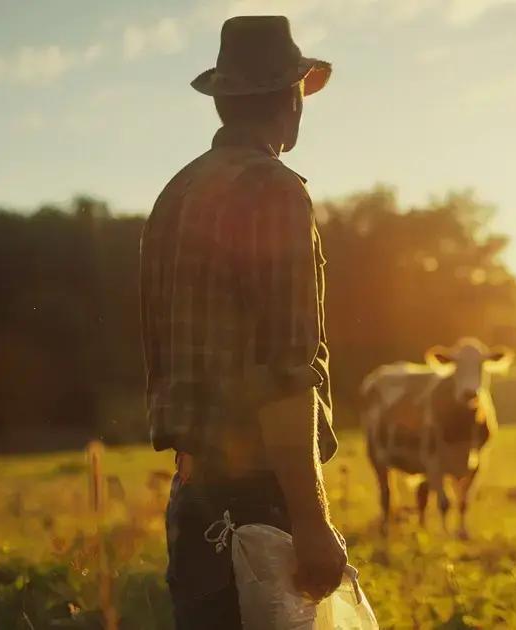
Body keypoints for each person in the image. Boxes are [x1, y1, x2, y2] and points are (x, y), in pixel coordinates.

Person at [139, 15, 346, 629]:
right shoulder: (275, 192)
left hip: (192, 494)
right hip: (260, 499)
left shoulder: (177, 192)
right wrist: (311, 521)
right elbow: (285, 368)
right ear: (291, 98)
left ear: (224, 102)